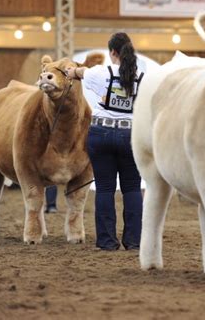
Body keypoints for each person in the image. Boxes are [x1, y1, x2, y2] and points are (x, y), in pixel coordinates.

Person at [67, 32, 143, 251]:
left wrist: (71, 71)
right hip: (130, 136)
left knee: (105, 189)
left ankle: (107, 242)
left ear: (112, 52)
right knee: (131, 189)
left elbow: (80, 73)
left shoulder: (101, 73)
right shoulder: (141, 78)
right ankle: (134, 241)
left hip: (101, 134)